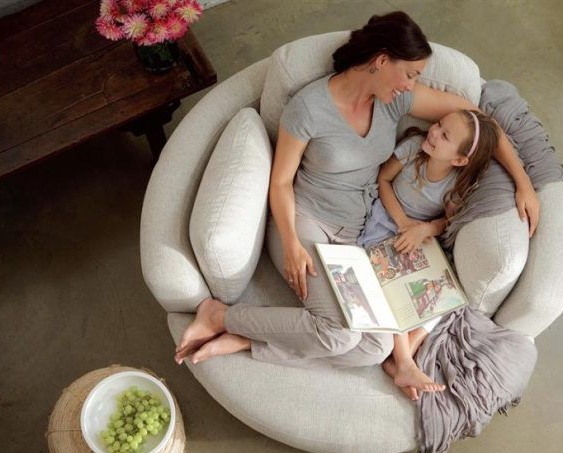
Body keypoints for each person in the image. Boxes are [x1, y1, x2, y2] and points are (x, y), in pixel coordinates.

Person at [173, 12, 539, 374]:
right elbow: (281, 181)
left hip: (354, 238)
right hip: (307, 224)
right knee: (340, 334)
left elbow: (479, 122)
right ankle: (220, 314)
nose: (411, 85)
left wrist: (522, 182)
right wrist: (290, 243)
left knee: (375, 347)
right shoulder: (307, 108)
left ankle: (246, 339)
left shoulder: (394, 101)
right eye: (410, 74)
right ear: (381, 60)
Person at [358, 109, 500, 400]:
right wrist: (403, 224)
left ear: (459, 159)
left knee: (446, 296)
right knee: (394, 286)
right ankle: (405, 363)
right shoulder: (412, 150)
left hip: (419, 236)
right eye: (438, 124)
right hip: (386, 222)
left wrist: (423, 230)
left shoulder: (455, 184)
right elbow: (383, 181)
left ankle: (400, 357)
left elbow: (446, 221)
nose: (433, 132)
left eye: (444, 135)